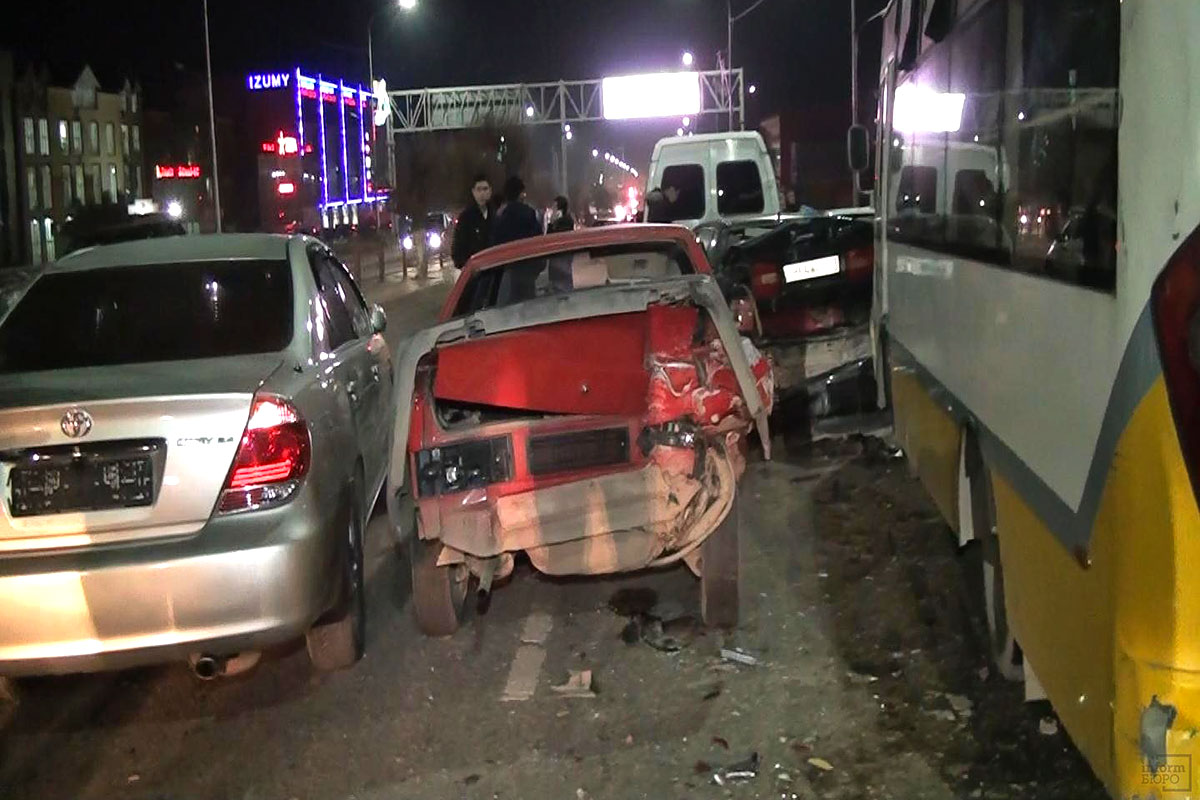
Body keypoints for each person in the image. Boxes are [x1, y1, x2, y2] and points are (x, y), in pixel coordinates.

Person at [451, 174, 494, 269]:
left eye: (485, 189)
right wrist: (467, 267)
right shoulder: (465, 218)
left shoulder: (496, 214)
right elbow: (457, 250)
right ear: (473, 192)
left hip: (495, 269)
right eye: (478, 189)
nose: (482, 193)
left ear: (490, 191)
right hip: (476, 272)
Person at [492, 176, 543, 245]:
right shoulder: (528, 213)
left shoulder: (499, 215)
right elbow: (538, 236)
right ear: (520, 194)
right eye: (523, 192)